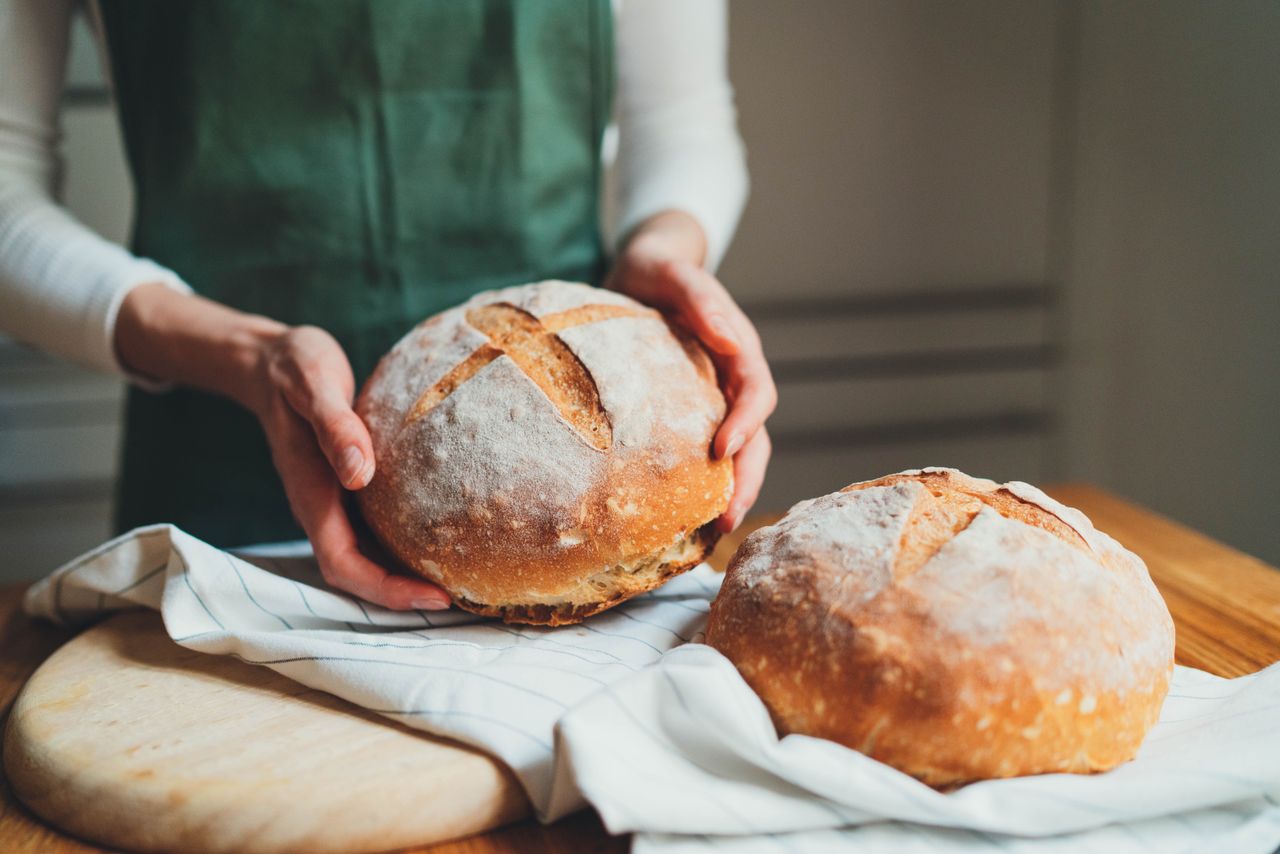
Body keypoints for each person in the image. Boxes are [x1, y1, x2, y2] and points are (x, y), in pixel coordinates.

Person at [0, 0, 775, 612]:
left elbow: (683, 123)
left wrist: (665, 256)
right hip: (221, 459)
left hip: (593, 495)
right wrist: (247, 356)